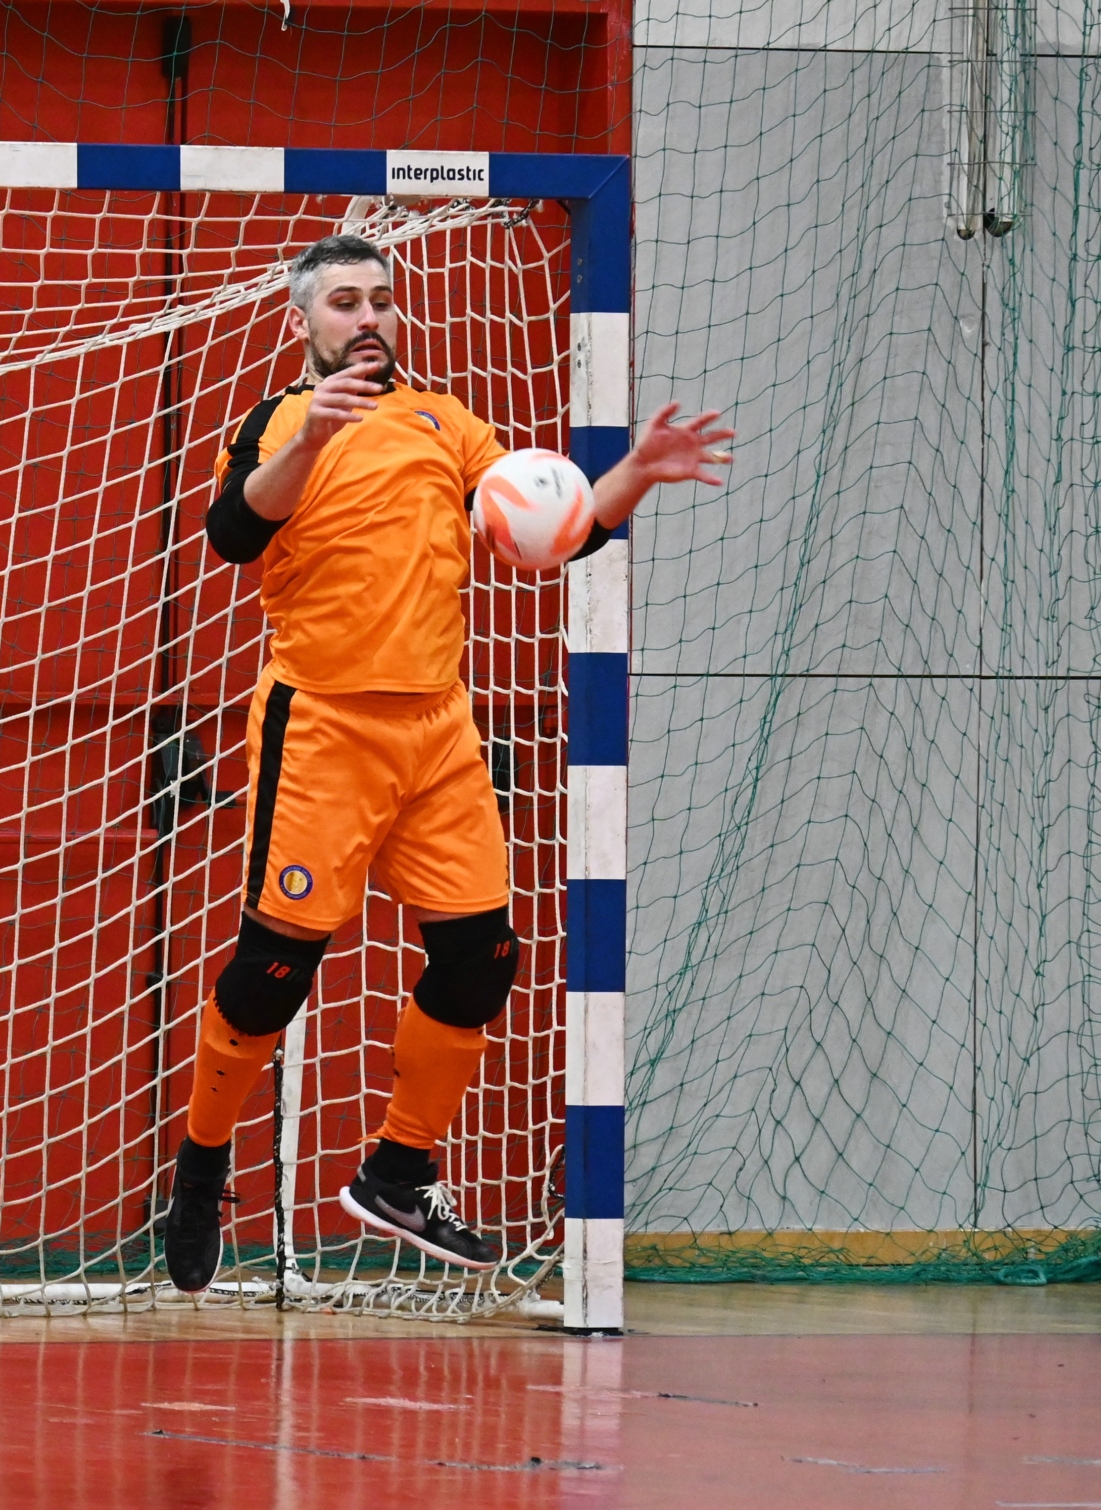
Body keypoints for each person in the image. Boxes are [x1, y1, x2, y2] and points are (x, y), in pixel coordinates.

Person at [162, 234, 732, 1289]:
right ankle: (200, 1164)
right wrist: (311, 437)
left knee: (482, 957)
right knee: (273, 970)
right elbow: (234, 534)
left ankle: (397, 1169)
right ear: (302, 322)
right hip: (322, 726)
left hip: (437, 732)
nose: (368, 316)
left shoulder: (444, 419)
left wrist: (632, 477)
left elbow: (557, 529)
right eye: (344, 301)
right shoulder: (279, 421)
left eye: (382, 298)